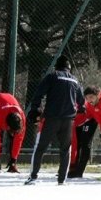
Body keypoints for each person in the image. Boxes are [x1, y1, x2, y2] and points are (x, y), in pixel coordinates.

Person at [24, 54, 84, 185]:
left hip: (51, 118)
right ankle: (61, 180)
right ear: (69, 68)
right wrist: (78, 110)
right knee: (65, 150)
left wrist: (35, 110)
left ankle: (33, 177)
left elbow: (38, 94)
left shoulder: (52, 76)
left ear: (57, 66)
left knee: (40, 148)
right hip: (68, 120)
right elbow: (81, 102)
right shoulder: (75, 80)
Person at [0, 92, 26, 173]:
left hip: (6, 105)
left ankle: (12, 165)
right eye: (12, 131)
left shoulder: (22, 119)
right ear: (8, 127)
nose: (14, 133)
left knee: (14, 138)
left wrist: (14, 160)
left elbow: (19, 140)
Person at [67, 110, 97, 178]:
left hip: (89, 117)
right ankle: (72, 168)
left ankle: (79, 171)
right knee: (76, 144)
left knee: (85, 144)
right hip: (76, 119)